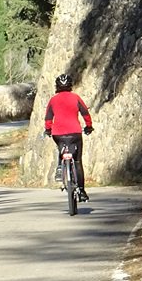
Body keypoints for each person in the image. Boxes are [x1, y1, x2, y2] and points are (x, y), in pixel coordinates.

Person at [43, 73, 93, 201]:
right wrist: (89, 126)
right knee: (77, 161)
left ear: (57, 86)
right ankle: (81, 191)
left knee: (62, 147)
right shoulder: (75, 97)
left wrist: (48, 130)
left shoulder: (53, 100)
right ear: (70, 85)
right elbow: (85, 113)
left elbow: (48, 118)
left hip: (58, 134)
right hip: (74, 133)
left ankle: (60, 165)